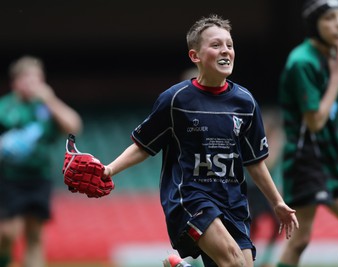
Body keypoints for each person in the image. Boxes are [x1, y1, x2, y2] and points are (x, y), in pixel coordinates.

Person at [100, 14, 298, 267]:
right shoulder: (176, 100)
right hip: (192, 198)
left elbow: (255, 162)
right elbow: (144, 145)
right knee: (234, 263)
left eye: (229, 44)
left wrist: (278, 202)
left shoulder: (246, 103)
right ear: (195, 56)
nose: (225, 50)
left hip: (234, 202)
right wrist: (109, 169)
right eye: (216, 45)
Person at [276, 1, 338, 267]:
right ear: (314, 25)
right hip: (305, 158)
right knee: (300, 239)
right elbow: (315, 120)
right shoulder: (301, 62)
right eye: (330, 18)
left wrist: (336, 70)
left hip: (328, 155)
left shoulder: (331, 55)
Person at [0, 55, 83, 267]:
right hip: (9, 178)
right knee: (8, 233)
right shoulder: (5, 107)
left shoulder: (46, 108)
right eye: (27, 78)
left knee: (34, 234)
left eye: (38, 79)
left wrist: (50, 99)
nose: (33, 84)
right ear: (16, 82)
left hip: (39, 178)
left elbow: (74, 126)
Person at [246, 107, 284, 267]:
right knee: (251, 223)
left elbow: (270, 164)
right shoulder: (257, 140)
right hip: (252, 189)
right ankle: (250, 255)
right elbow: (265, 163)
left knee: (276, 223)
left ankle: (264, 256)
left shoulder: (273, 143)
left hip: (263, 190)